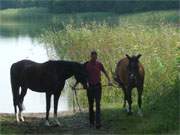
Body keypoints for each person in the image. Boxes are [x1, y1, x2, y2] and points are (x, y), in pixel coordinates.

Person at [85, 51, 112, 129]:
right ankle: (91, 121)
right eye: (93, 56)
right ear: (90, 56)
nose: (94, 58)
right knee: (91, 105)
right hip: (90, 87)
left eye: (95, 56)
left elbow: (105, 72)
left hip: (98, 87)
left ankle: (98, 123)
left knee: (97, 104)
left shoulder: (99, 64)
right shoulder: (87, 65)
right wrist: (84, 84)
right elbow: (84, 76)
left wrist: (109, 80)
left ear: (96, 57)